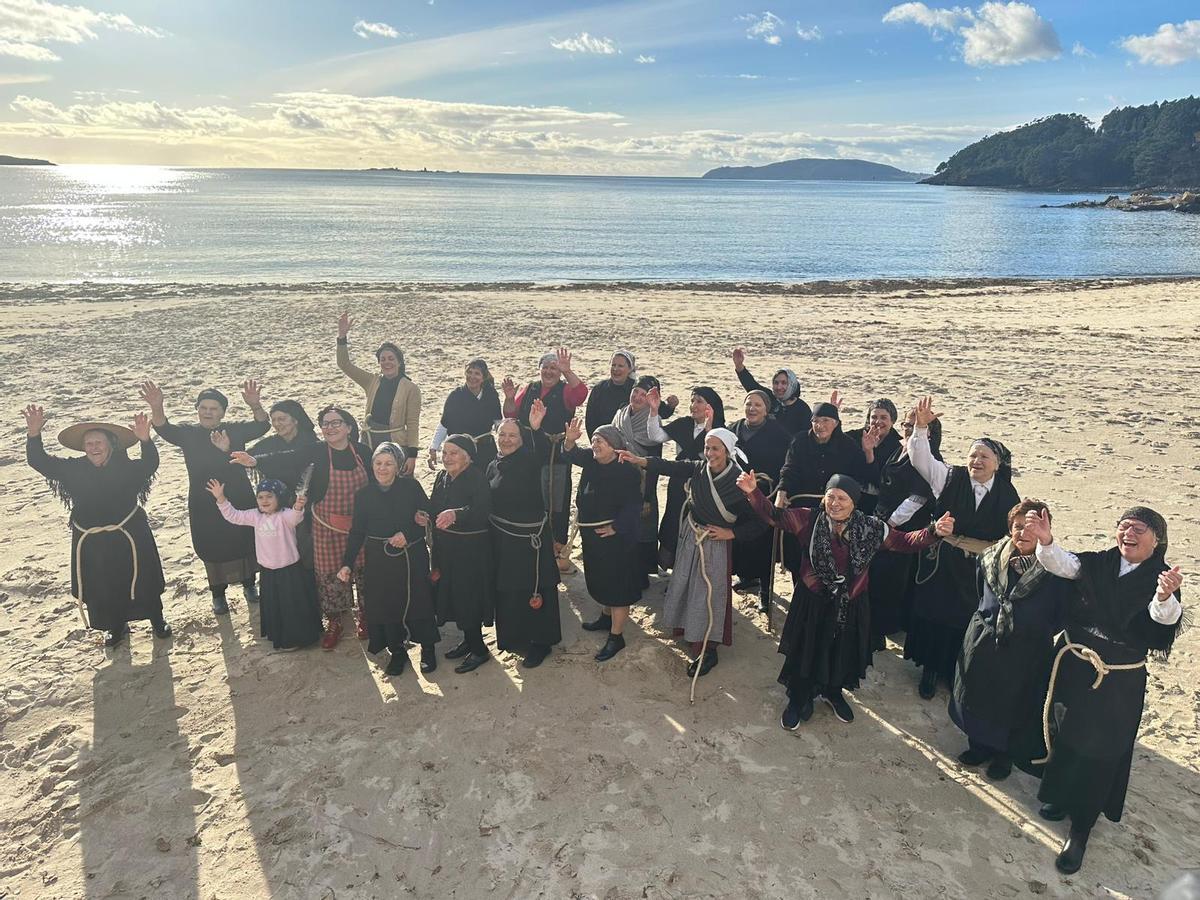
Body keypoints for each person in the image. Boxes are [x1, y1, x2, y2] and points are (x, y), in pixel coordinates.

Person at [1020, 505, 1184, 875]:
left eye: (1138, 528)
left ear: (1156, 540)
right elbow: (1062, 564)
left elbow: (1163, 621)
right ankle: (1058, 798)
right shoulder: (1097, 562)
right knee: (1064, 731)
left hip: (1118, 677)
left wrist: (1163, 598)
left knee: (1102, 749)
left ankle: (1080, 828)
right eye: (1123, 526)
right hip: (1076, 665)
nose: (1128, 532)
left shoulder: (1162, 579)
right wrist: (1046, 542)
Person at [739, 471, 954, 728]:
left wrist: (933, 532)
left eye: (842, 498)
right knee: (806, 650)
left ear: (854, 502)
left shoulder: (871, 527)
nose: (835, 503)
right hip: (812, 602)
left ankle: (832, 692)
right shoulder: (807, 519)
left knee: (841, 651)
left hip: (851, 604)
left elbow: (904, 541)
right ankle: (799, 698)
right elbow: (774, 516)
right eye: (830, 497)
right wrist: (754, 492)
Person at [622, 423, 767, 677]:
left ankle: (708, 647)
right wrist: (639, 460)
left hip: (715, 543)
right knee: (686, 583)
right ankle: (686, 627)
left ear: (727, 451)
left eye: (716, 449)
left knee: (708, 594)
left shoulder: (738, 482)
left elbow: (760, 521)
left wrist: (731, 533)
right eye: (707, 448)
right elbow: (670, 466)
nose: (710, 453)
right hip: (692, 535)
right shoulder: (699, 468)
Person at [229, 406, 375, 649]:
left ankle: (365, 617)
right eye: (325, 424)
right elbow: (288, 457)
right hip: (325, 525)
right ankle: (335, 621)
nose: (329, 427)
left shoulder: (362, 451)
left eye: (335, 423)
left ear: (349, 427)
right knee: (328, 575)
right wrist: (255, 461)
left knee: (364, 572)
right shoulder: (317, 451)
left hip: (359, 526)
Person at [903, 396, 1020, 700]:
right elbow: (920, 459)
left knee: (968, 618)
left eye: (984, 457)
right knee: (936, 613)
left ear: (997, 463)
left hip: (981, 566)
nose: (976, 462)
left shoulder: (1008, 494)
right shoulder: (950, 478)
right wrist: (920, 427)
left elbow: (1013, 532)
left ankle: (952, 670)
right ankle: (929, 669)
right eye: (972, 455)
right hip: (945, 560)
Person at [23, 405, 168, 648]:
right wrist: (34, 434)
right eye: (89, 444)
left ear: (111, 444)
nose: (94, 448)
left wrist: (145, 440)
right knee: (103, 584)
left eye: (98, 442)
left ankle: (157, 620)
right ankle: (115, 626)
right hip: (92, 541)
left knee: (143, 579)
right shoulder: (74, 469)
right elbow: (39, 461)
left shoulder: (126, 467)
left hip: (130, 534)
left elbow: (150, 464)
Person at [949, 499, 1070, 782]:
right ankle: (978, 746)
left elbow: (1062, 614)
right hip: (984, 640)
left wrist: (1031, 629)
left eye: (1031, 527)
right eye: (1017, 527)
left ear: (1044, 528)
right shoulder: (990, 557)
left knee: (1015, 702)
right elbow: (980, 592)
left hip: (1027, 648)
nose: (1023, 534)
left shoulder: (1056, 570)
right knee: (978, 693)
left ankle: (1005, 755)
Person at [139, 379, 269, 615]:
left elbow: (262, 426)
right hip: (204, 500)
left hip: (238, 495)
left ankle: (250, 585)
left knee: (244, 539)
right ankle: (217, 594)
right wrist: (157, 406)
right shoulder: (188, 434)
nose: (208, 412)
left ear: (222, 412)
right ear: (197, 409)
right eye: (204, 408)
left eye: (214, 409)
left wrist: (255, 405)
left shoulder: (235, 429)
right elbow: (164, 427)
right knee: (211, 544)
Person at [338, 443, 439, 677]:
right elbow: (357, 532)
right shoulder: (363, 495)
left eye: (388, 463)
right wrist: (347, 563)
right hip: (378, 559)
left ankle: (428, 648)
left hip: (411, 556)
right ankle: (397, 651)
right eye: (378, 463)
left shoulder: (411, 487)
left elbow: (427, 514)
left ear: (398, 466)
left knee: (419, 600)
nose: (382, 468)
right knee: (385, 604)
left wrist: (408, 533)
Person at [488, 400, 561, 668]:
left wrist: (536, 428)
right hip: (503, 541)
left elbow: (542, 452)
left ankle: (540, 643)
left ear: (521, 440)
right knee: (508, 589)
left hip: (530, 541)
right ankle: (515, 638)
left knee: (534, 587)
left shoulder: (528, 460)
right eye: (502, 435)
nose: (506, 440)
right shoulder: (493, 464)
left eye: (512, 435)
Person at [562, 418, 642, 662]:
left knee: (617, 584)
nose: (595, 444)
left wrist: (616, 528)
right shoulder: (592, 460)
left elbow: (633, 505)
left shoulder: (626, 470)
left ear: (615, 446)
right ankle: (606, 618)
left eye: (601, 441)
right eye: (594, 440)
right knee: (600, 576)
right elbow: (572, 454)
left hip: (615, 537)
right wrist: (569, 440)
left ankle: (616, 636)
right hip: (592, 534)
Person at [208, 477, 322, 650]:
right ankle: (280, 636)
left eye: (269, 496)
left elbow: (296, 516)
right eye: (260, 497)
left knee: (291, 607)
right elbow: (234, 516)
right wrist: (221, 498)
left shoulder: (285, 516)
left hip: (289, 571)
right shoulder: (255, 516)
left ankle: (297, 639)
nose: (264, 501)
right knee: (276, 607)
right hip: (268, 572)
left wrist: (299, 505)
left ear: (279, 498)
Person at [502, 348, 588, 566]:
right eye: (545, 367)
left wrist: (568, 371)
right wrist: (510, 398)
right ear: (539, 369)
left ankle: (558, 549)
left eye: (553, 368)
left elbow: (581, 394)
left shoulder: (565, 389)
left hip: (555, 452)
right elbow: (511, 414)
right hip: (529, 452)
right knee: (532, 496)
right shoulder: (529, 388)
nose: (549, 372)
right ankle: (535, 541)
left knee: (557, 501)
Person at [867, 410, 943, 649]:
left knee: (892, 579)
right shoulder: (901, 447)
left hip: (903, 527)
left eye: (914, 426)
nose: (908, 429)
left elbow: (917, 498)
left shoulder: (928, 457)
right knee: (878, 576)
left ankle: (885, 627)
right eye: (906, 425)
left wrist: (890, 523)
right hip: (883, 518)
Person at [428, 434, 494, 674]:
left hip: (471, 552)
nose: (447, 458)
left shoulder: (477, 478)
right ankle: (469, 640)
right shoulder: (442, 477)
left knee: (469, 599)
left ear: (467, 456)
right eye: (445, 453)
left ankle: (479, 650)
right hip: (446, 550)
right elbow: (434, 505)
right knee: (455, 596)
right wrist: (422, 514)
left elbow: (482, 510)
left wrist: (457, 514)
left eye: (453, 453)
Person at [727, 390, 791, 611]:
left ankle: (765, 591)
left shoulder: (779, 434)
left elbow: (787, 465)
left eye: (757, 405)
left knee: (763, 543)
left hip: (764, 495)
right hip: (736, 495)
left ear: (766, 409)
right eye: (748, 404)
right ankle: (746, 577)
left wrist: (780, 491)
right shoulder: (733, 430)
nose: (752, 409)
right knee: (739, 540)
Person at [336, 311, 420, 464]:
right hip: (369, 438)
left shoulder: (411, 388)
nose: (387, 362)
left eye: (391, 359)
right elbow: (344, 364)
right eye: (382, 359)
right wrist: (342, 337)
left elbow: (413, 424)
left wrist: (412, 455)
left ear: (399, 362)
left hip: (395, 441)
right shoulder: (372, 381)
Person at [612, 375, 671, 588]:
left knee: (641, 528)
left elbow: (654, 461)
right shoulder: (620, 414)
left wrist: (647, 495)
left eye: (643, 395)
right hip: (618, 476)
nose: (637, 397)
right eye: (635, 392)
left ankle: (640, 574)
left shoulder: (652, 423)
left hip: (642, 482)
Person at [659, 386, 725, 570]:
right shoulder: (684, 424)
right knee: (674, 520)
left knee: (696, 527)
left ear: (710, 407)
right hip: (679, 482)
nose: (693, 405)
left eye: (699, 401)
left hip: (703, 487)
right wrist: (655, 410)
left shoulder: (720, 431)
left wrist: (710, 429)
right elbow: (654, 436)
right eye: (692, 401)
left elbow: (720, 462)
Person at [428, 358, 502, 472]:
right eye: (469, 372)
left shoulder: (491, 394)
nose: (472, 377)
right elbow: (444, 424)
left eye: (477, 373)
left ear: (483, 377)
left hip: (486, 449)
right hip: (460, 451)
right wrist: (434, 448)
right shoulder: (455, 396)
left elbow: (498, 422)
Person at [585, 349, 678, 438]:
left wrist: (670, 405)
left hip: (636, 444)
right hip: (603, 442)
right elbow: (590, 421)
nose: (615, 369)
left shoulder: (637, 388)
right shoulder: (599, 389)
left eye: (620, 366)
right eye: (613, 365)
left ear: (630, 369)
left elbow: (661, 411)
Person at [732, 348, 812, 436]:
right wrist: (739, 366)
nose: (779, 387)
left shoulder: (802, 409)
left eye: (784, 383)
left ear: (792, 385)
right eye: (776, 383)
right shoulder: (771, 399)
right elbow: (752, 386)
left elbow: (807, 436)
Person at [844, 399, 902, 516]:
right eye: (874, 417)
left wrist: (869, 452)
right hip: (851, 494)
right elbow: (835, 441)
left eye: (883, 418)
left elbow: (881, 481)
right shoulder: (856, 436)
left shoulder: (898, 445)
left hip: (880, 500)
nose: (878, 421)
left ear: (893, 421)